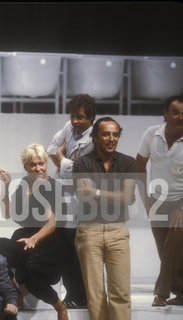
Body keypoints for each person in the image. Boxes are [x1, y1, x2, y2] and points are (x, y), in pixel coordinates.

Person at [73, 117, 136, 320]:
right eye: (106, 134)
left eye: (115, 134)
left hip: (117, 231)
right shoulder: (82, 162)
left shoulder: (128, 162)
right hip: (89, 231)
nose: (111, 138)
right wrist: (116, 194)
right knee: (96, 296)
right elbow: (84, 195)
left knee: (121, 295)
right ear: (95, 137)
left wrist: (97, 191)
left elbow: (127, 198)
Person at [0, 143, 68, 320]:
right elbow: (7, 214)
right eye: (32, 165)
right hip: (25, 236)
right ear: (25, 166)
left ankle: (60, 308)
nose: (38, 168)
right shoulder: (23, 184)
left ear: (46, 164)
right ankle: (14, 290)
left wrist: (34, 239)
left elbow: (52, 223)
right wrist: (5, 186)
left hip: (48, 239)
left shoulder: (53, 187)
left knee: (32, 279)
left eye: (41, 163)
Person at [47, 93, 96, 308]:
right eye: (73, 116)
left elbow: (79, 170)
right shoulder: (69, 127)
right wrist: (63, 161)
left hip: (81, 202)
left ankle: (82, 295)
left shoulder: (94, 138)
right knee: (63, 248)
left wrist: (62, 158)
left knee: (77, 252)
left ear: (91, 118)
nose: (75, 121)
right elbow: (51, 150)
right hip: (64, 197)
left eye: (81, 117)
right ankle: (72, 294)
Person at [136, 94, 183, 307]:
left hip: (180, 201)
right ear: (166, 114)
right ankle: (181, 294)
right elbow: (139, 166)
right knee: (164, 251)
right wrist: (145, 198)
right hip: (157, 201)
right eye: (176, 112)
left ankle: (160, 294)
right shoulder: (150, 134)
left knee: (173, 244)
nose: (180, 116)